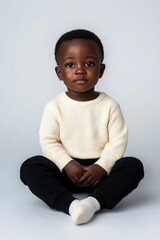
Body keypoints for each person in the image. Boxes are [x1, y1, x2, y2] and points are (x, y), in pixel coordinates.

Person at [20, 29, 144, 225]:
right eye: (70, 65)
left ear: (101, 70)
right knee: (30, 167)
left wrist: (101, 166)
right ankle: (71, 205)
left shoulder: (110, 105)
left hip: (101, 172)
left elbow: (117, 141)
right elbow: (49, 141)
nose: (80, 70)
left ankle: (93, 203)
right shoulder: (54, 106)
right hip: (66, 169)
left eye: (89, 63)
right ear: (59, 73)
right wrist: (67, 164)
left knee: (134, 166)